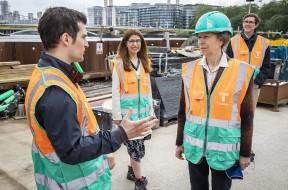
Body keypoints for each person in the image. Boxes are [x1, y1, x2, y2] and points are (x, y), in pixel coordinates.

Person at [24, 7, 157, 190]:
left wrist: (102, 153)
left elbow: (78, 131)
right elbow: (73, 150)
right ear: (66, 39)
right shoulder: (56, 91)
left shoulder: (50, 76)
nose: (87, 43)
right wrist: (119, 135)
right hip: (75, 182)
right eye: (84, 37)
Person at [175, 11, 255, 190]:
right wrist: (179, 142)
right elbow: (183, 110)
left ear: (221, 39)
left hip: (223, 149)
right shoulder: (189, 70)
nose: (201, 41)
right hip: (194, 148)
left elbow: (247, 117)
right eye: (199, 37)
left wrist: (245, 153)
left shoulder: (241, 72)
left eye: (206, 37)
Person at [111, 29, 154, 190]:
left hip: (143, 114)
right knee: (136, 149)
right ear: (125, 43)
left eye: (138, 41)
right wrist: (116, 115)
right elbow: (115, 91)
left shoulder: (144, 62)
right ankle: (139, 181)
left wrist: (151, 112)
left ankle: (131, 171)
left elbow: (148, 89)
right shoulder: (119, 64)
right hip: (128, 116)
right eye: (131, 41)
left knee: (137, 145)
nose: (135, 44)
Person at [226, 13, 271, 109]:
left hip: (253, 85)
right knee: (234, 112)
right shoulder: (233, 41)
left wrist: (258, 81)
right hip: (236, 85)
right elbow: (227, 63)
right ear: (242, 23)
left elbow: (266, 66)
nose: (248, 24)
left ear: (256, 25)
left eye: (251, 22)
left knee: (249, 113)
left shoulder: (264, 43)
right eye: (246, 22)